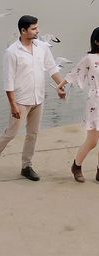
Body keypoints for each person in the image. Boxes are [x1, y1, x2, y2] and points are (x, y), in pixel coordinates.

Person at [0, 15, 66, 181]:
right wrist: (13, 105)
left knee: (33, 133)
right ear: (23, 31)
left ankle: (26, 166)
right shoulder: (12, 53)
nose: (38, 31)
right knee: (12, 133)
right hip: (21, 100)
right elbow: (8, 82)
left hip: (38, 98)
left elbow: (52, 68)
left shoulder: (42, 47)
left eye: (37, 27)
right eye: (34, 28)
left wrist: (61, 86)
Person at [57, 27, 99, 183]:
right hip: (96, 102)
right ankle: (77, 166)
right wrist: (60, 85)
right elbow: (74, 73)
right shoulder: (89, 59)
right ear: (97, 41)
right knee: (92, 141)